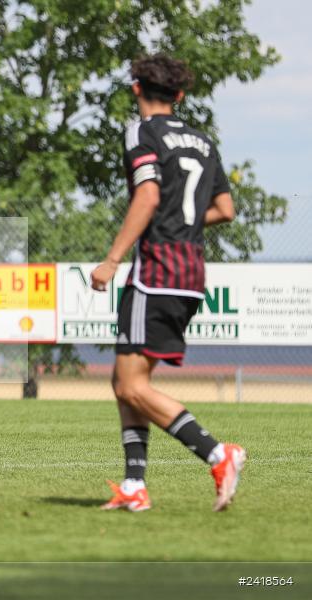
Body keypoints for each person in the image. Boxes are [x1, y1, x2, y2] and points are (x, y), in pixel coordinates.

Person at [90, 54, 243, 512]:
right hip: (192, 271)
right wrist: (182, 225)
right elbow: (225, 210)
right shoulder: (202, 141)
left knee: (131, 386)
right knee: (128, 381)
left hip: (157, 269)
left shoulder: (143, 132)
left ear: (136, 88)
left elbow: (148, 194)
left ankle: (218, 454)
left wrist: (112, 258)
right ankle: (135, 485)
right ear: (179, 96)